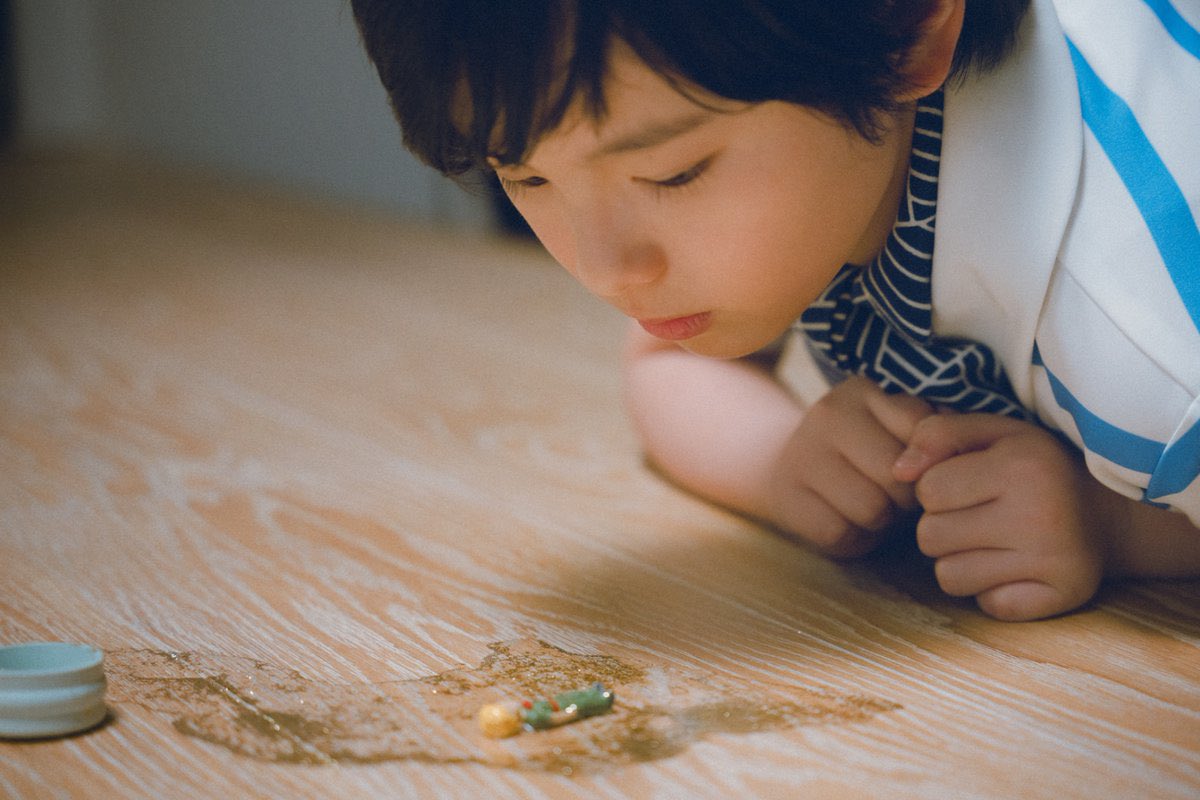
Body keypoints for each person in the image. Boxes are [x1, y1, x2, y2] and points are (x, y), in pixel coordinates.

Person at [350, 0, 1200, 621]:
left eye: (674, 174)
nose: (609, 271)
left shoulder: (1149, 350)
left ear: (908, 30)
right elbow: (657, 367)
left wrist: (1118, 528)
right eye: (526, 178)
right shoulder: (814, 124)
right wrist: (777, 458)